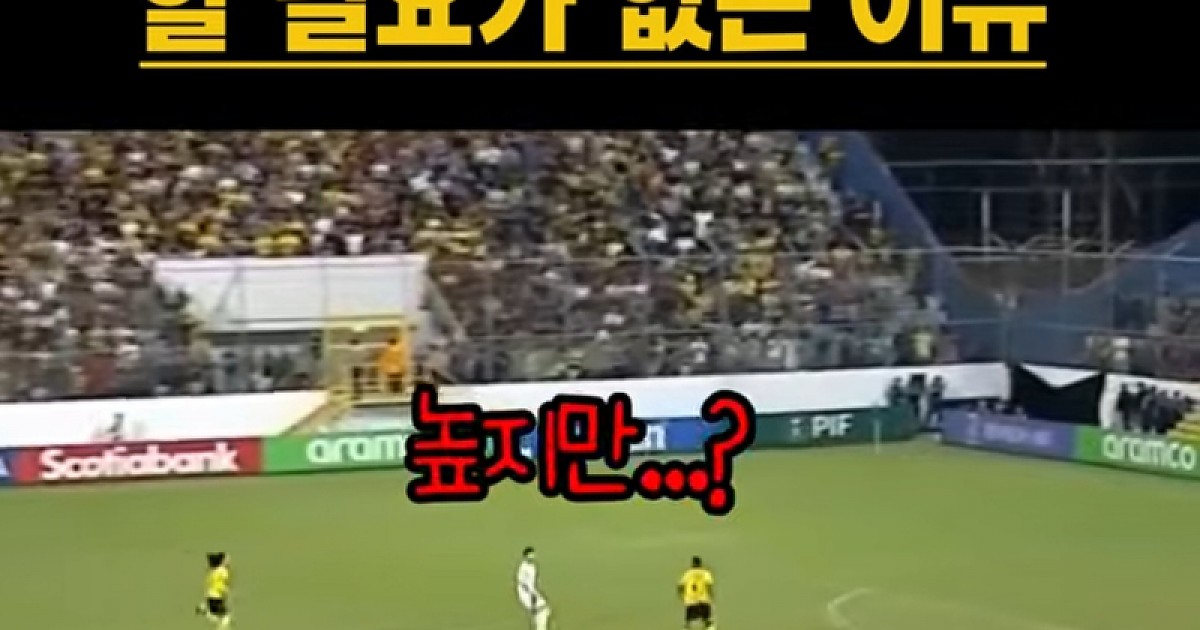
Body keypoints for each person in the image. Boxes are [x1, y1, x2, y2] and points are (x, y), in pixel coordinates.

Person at [516, 546, 551, 630]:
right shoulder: (523, 568)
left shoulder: (532, 566)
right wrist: (532, 596)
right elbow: (523, 583)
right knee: (542, 610)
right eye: (530, 554)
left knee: (545, 610)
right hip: (526, 593)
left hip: (531, 591)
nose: (532, 555)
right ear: (526, 556)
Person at [196, 552, 232, 629]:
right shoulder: (223, 572)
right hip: (217, 597)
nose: (229, 561)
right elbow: (220, 583)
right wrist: (224, 590)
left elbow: (210, 583)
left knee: (218, 616)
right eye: (227, 559)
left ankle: (205, 610)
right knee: (225, 616)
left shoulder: (213, 571)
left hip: (211, 596)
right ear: (222, 561)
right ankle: (206, 612)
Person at [678, 556, 715, 630]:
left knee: (689, 619)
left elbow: (680, 586)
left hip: (690, 599)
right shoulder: (705, 573)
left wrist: (681, 596)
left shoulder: (687, 573)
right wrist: (711, 595)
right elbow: (709, 585)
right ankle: (709, 627)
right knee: (706, 618)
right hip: (703, 599)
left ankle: (687, 627)